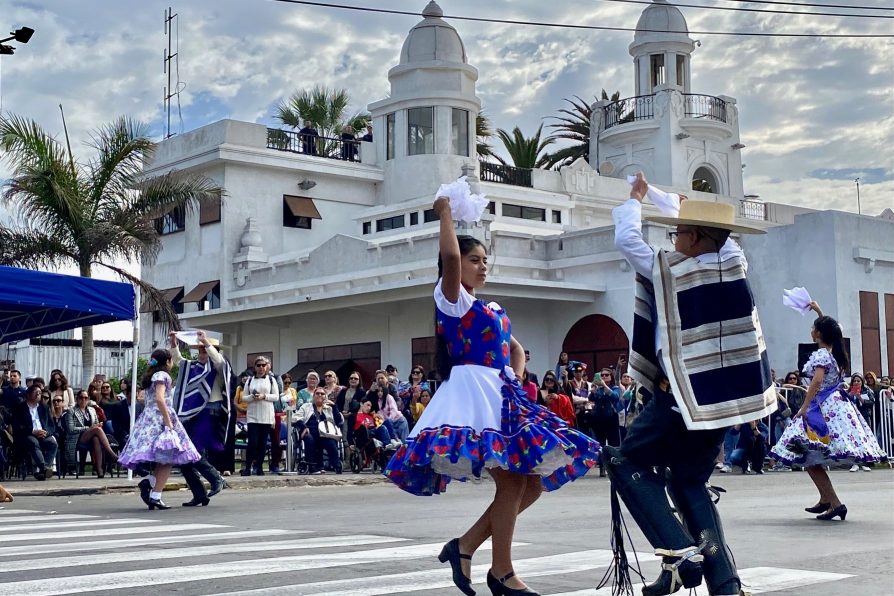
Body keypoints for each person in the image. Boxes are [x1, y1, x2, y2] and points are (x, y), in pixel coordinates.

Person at [385, 194, 600, 596]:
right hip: (472, 398)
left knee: (531, 483)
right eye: (475, 260)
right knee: (513, 484)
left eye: (485, 260)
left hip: (501, 396)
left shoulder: (491, 309)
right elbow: (449, 259)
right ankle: (501, 570)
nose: (482, 265)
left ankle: (465, 546)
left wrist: (514, 382)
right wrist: (445, 216)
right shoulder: (452, 301)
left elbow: (515, 350)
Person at [606, 173, 776, 596]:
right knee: (688, 481)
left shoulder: (673, 270)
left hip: (679, 398)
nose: (673, 238)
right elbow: (700, 225)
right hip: (723, 404)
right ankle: (725, 583)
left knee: (625, 460)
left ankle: (679, 550)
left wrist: (634, 199)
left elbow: (628, 241)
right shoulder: (734, 259)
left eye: (679, 232)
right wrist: (668, 202)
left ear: (697, 238)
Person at [771, 302, 886, 520]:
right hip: (834, 404)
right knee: (808, 456)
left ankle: (834, 502)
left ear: (820, 333)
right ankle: (827, 499)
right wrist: (818, 311)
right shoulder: (835, 352)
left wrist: (804, 407)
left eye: (814, 327)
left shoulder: (822, 355)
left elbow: (815, 383)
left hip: (821, 407)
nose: (811, 329)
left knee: (807, 454)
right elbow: (832, 330)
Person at [118, 349, 201, 510]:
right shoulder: (162, 376)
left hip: (149, 417)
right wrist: (168, 422)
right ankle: (155, 493)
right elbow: (160, 398)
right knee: (168, 457)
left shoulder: (150, 376)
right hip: (160, 418)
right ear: (168, 361)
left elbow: (145, 397)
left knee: (164, 458)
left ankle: (151, 484)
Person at [169, 330, 233, 505]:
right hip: (191, 414)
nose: (202, 352)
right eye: (200, 350)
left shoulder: (218, 367)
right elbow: (179, 361)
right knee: (184, 455)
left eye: (205, 349)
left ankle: (215, 478)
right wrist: (174, 343)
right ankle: (199, 494)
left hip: (210, 412)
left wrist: (206, 342)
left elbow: (219, 361)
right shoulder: (193, 367)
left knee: (193, 451)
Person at [67, 389, 119, 478]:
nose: (83, 400)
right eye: (81, 398)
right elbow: (71, 429)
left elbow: (96, 423)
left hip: (92, 436)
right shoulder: (71, 411)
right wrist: (88, 428)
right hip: (78, 437)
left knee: (96, 438)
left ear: (88, 399)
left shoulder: (92, 410)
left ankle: (99, 469)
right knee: (97, 430)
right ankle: (111, 454)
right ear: (77, 399)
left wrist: (97, 425)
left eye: (85, 398)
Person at [242, 355, 279, 476]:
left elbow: (276, 397)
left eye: (263, 365)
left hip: (266, 415)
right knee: (252, 442)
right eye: (259, 365)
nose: (261, 368)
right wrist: (253, 397)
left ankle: (259, 467)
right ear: (255, 367)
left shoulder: (271, 380)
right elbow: (244, 397)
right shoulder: (249, 380)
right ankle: (247, 467)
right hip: (253, 415)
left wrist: (264, 396)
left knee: (262, 443)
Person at [12, 385, 58, 480]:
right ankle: (44, 468)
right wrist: (32, 431)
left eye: (40, 392)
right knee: (33, 442)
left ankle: (42, 471)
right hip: (27, 435)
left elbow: (51, 425)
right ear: (28, 394)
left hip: (43, 434)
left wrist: (46, 433)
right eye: (35, 392)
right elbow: (17, 426)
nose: (38, 394)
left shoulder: (44, 407)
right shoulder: (20, 408)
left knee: (53, 444)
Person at [294, 387, 344, 474]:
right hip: (310, 431)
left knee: (331, 442)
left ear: (326, 396)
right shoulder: (306, 406)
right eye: (317, 393)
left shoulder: (329, 408)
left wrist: (334, 406)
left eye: (322, 394)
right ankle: (312, 466)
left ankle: (336, 465)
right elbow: (295, 418)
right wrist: (303, 427)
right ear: (313, 396)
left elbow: (339, 421)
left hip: (325, 433)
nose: (320, 395)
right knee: (309, 439)